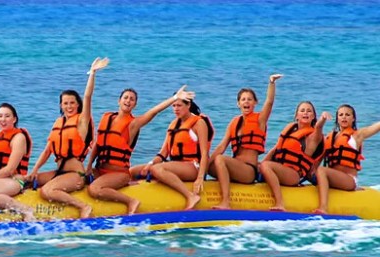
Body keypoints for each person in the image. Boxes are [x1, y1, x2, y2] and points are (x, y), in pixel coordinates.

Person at [86, 85, 196, 215]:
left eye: (132, 99)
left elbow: (154, 111)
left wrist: (175, 98)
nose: (128, 101)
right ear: (119, 100)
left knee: (94, 189)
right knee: (79, 176)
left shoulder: (133, 124)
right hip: (100, 170)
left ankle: (131, 201)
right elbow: (98, 145)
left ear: (135, 104)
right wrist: (88, 166)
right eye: (125, 97)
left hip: (119, 174)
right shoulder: (107, 118)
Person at [27, 57, 108, 218]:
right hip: (59, 172)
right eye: (65, 103)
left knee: (47, 191)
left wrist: (92, 73)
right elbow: (47, 151)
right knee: (25, 182)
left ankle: (83, 206)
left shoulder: (81, 122)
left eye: (72, 103)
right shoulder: (58, 122)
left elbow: (87, 97)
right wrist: (34, 171)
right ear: (60, 105)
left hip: (75, 175)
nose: (69, 106)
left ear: (78, 105)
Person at [207, 74, 283, 209]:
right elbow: (221, 146)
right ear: (238, 104)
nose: (246, 102)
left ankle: (226, 202)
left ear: (255, 103)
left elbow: (269, 101)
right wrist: (204, 167)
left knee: (220, 160)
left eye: (249, 99)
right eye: (243, 99)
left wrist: (271, 82)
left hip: (248, 171)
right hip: (235, 167)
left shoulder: (260, 120)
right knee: (211, 163)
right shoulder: (234, 123)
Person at [130, 96, 214, 210]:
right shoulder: (173, 124)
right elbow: (163, 153)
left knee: (157, 169)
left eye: (179, 105)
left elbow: (205, 153)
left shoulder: (199, 123)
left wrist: (200, 178)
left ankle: (190, 196)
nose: (176, 109)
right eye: (173, 106)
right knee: (132, 171)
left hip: (194, 166)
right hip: (176, 165)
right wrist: (150, 163)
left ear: (188, 105)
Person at [259, 101, 332, 211]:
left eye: (309, 111)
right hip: (281, 170)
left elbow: (318, 127)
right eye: (302, 111)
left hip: (294, 175)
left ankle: (280, 203)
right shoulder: (290, 130)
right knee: (260, 165)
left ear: (313, 117)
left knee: (266, 166)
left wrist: (323, 118)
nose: (305, 113)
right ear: (296, 116)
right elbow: (275, 150)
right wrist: (258, 166)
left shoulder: (313, 137)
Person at [314, 104, 380, 214]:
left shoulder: (356, 136)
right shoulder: (329, 138)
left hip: (349, 180)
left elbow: (374, 128)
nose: (344, 117)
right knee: (316, 171)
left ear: (353, 118)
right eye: (341, 115)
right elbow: (318, 159)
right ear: (337, 119)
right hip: (333, 180)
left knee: (321, 170)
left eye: (347, 115)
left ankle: (323, 208)